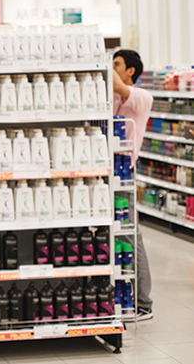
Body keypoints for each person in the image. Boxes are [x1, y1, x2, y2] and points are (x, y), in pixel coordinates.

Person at [113, 48, 154, 321]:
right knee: (115, 235)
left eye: (117, 64)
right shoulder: (114, 97)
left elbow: (117, 85)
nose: (112, 68)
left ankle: (144, 303)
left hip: (125, 173)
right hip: (105, 172)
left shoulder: (141, 97)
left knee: (130, 234)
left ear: (131, 71)